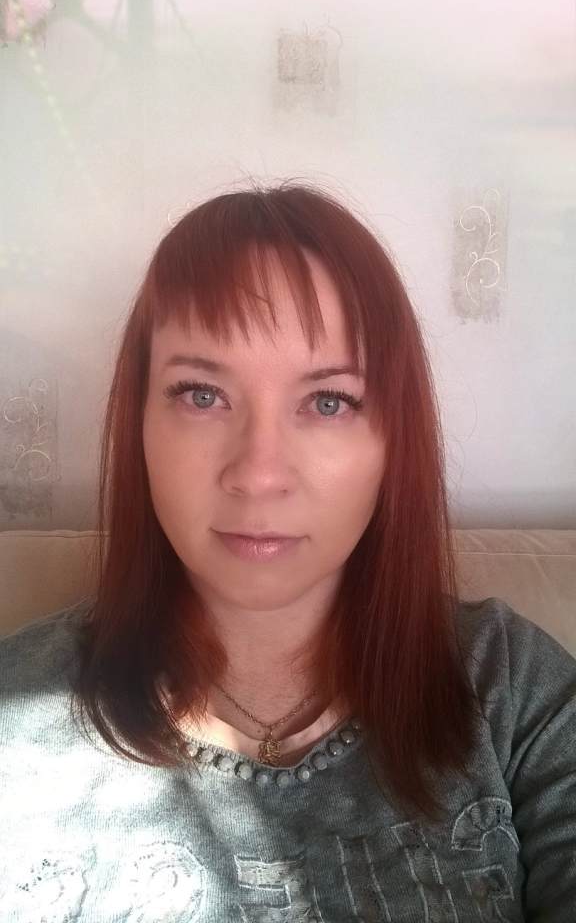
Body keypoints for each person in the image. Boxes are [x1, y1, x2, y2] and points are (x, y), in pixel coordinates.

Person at [0, 180, 575, 920]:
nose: (259, 473)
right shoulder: (19, 723)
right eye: (201, 394)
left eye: (328, 401)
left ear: (393, 439)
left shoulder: (513, 691)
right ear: (138, 419)